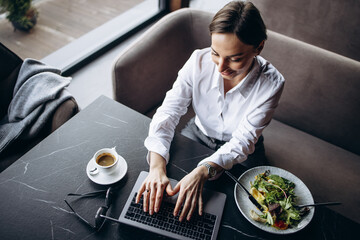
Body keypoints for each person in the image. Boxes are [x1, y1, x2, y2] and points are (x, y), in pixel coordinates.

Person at [136, 1, 284, 222]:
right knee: (171, 194)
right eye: (216, 53)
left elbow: (243, 141)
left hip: (246, 150)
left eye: (234, 58)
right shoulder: (197, 61)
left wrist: (203, 170)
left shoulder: (272, 84)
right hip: (197, 133)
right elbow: (168, 113)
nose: (221, 67)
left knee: (257, 208)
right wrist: (157, 167)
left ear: (258, 47)